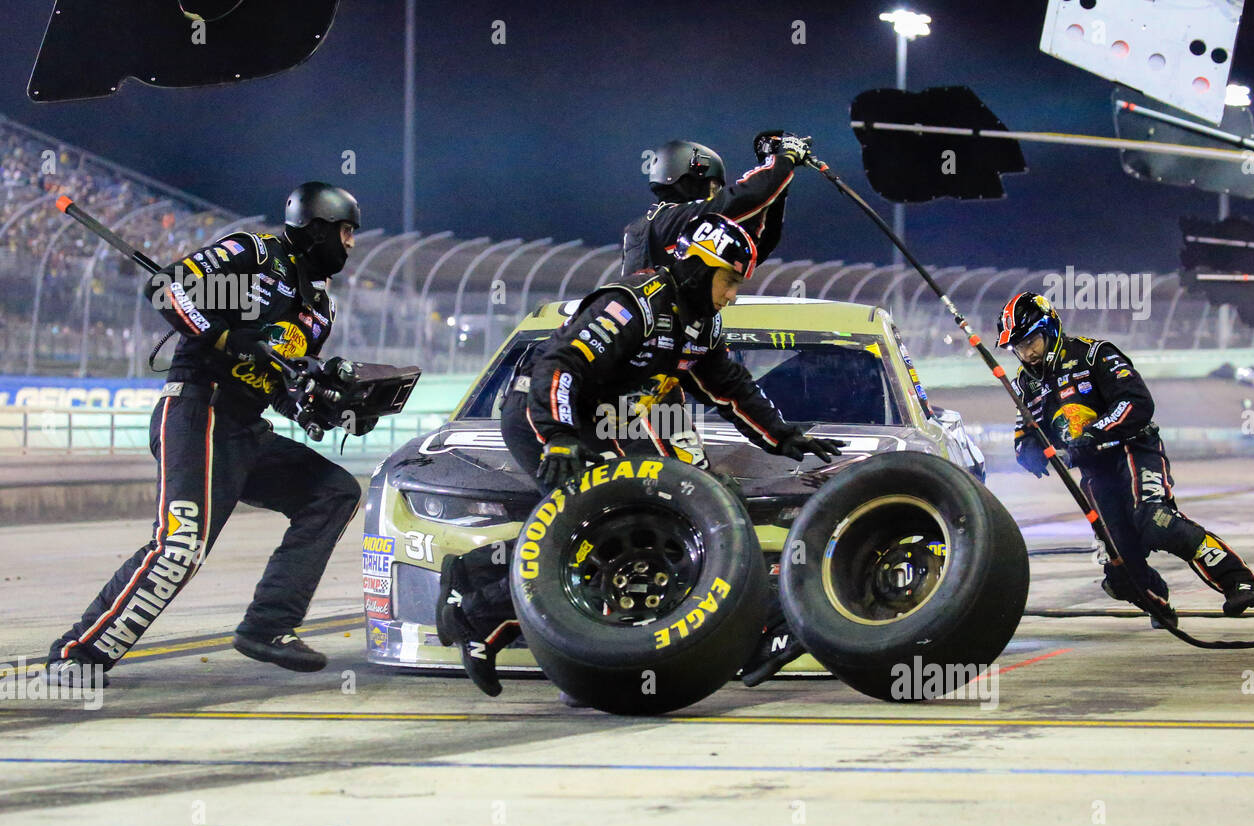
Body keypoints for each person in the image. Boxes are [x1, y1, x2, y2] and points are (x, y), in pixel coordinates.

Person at [439, 213, 845, 696]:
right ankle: (476, 611)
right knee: (600, 531)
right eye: (730, 281)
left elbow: (729, 388)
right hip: (544, 415)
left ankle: (481, 586)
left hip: (609, 423)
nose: (733, 294)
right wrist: (559, 435)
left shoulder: (702, 322)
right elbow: (560, 364)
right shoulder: (632, 305)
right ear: (698, 267)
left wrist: (783, 437)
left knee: (671, 514)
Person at [46, 182, 366, 684]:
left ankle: (268, 625)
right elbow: (167, 287)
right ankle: (76, 657)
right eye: (346, 231)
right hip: (199, 412)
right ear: (318, 227)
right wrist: (226, 337)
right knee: (180, 549)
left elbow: (277, 382)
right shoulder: (254, 255)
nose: (350, 243)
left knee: (335, 492)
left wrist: (311, 408)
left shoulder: (319, 309)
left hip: (244, 429)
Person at [998, 291, 1254, 620]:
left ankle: (1239, 581)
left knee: (1156, 522)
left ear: (1051, 330)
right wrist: (1031, 455)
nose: (1027, 354)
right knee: (1118, 568)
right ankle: (1156, 600)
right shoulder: (1025, 384)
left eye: (1032, 342)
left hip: (1133, 449)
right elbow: (1023, 438)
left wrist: (1093, 433)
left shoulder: (1094, 354)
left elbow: (1137, 402)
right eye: (1019, 348)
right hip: (1096, 473)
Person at [621, 132, 812, 275]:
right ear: (688, 180)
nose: (715, 193)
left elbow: (759, 246)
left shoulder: (662, 223)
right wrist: (783, 159)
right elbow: (746, 198)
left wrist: (778, 185)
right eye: (713, 186)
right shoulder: (668, 220)